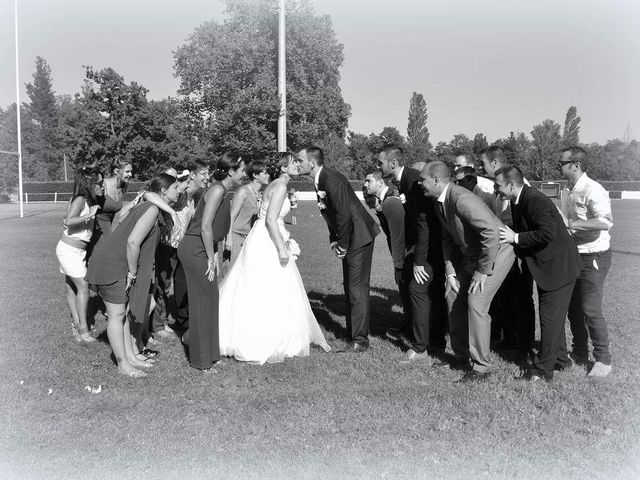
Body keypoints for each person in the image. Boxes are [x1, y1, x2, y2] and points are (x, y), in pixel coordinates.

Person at [219, 153, 331, 364]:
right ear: (282, 168)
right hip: (268, 240)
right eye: (293, 163)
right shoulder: (279, 187)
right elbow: (271, 220)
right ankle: (265, 337)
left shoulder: (275, 185)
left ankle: (280, 333)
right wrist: (281, 247)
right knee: (270, 285)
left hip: (262, 235)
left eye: (298, 162)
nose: (298, 165)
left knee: (266, 285)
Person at [420, 161, 515, 382]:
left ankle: (481, 367)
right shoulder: (438, 201)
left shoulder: (462, 199)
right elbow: (447, 238)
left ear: (436, 180)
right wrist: (450, 271)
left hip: (497, 252)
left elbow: (491, 233)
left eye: (422, 179)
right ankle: (462, 357)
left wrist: (483, 271)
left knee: (476, 302)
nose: (419, 183)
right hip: (473, 256)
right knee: (453, 295)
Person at [86, 173, 180, 377]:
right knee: (117, 315)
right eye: (175, 187)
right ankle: (123, 365)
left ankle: (131, 356)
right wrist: (132, 273)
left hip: (115, 260)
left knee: (124, 311)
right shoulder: (152, 208)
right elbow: (133, 242)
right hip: (112, 263)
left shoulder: (150, 207)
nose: (179, 190)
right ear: (163, 191)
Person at [496, 165, 581, 381]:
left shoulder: (534, 199)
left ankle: (543, 370)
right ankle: (561, 360)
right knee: (553, 317)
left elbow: (547, 233)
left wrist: (515, 238)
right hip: (548, 267)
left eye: (498, 186)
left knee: (549, 318)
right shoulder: (518, 200)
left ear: (511, 184)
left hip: (559, 268)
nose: (496, 190)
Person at [296, 146, 380, 353]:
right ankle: (353, 334)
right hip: (349, 236)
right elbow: (330, 213)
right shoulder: (321, 179)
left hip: (358, 236)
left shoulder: (331, 179)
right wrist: (334, 240)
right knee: (351, 286)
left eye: (300, 160)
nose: (297, 164)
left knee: (356, 288)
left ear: (312, 163)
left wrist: (342, 244)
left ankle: (360, 341)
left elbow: (343, 214)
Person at [378, 145, 448, 359]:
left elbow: (423, 222)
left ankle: (420, 347)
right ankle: (435, 342)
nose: (378, 166)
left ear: (393, 163)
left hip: (430, 247)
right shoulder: (405, 180)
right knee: (434, 292)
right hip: (427, 246)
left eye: (380, 162)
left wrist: (419, 260)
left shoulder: (412, 180)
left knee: (417, 290)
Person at [178, 153, 245, 370]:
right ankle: (200, 360)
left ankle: (210, 354)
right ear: (231, 171)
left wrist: (214, 254)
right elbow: (205, 226)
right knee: (202, 302)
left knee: (210, 300)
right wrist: (210, 257)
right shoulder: (217, 189)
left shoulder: (224, 191)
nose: (245, 174)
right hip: (195, 247)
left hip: (204, 247)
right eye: (242, 170)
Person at [364, 170, 432, 363]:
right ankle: (412, 329)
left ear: (379, 182)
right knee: (407, 291)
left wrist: (398, 263)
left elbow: (398, 236)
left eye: (369, 181)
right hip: (407, 254)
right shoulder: (385, 203)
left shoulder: (391, 202)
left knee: (413, 291)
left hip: (411, 254)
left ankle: (420, 340)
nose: (366, 185)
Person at [559, 146, 614, 377]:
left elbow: (604, 223)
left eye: (561, 163)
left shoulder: (594, 189)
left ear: (576, 165)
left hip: (594, 255)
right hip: (575, 254)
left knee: (590, 309)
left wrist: (571, 225)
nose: (558, 166)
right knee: (574, 308)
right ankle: (579, 351)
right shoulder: (569, 189)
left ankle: (603, 360)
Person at [480, 146, 536, 358]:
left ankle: (524, 343)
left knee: (521, 297)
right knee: (507, 296)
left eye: (483, 163)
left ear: (495, 163)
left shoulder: (518, 188)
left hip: (518, 250)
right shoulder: (498, 187)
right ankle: (510, 337)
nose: (480, 167)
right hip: (505, 250)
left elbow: (521, 221)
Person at [55, 166, 104, 343]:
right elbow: (68, 221)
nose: (102, 186)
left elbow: (65, 219)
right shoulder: (80, 200)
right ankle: (83, 330)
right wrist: (88, 215)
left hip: (77, 250)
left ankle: (77, 324)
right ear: (90, 183)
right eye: (99, 183)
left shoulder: (85, 200)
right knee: (83, 286)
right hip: (69, 250)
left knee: (70, 286)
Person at [226, 161, 270, 265]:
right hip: (236, 237)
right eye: (265, 173)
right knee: (231, 274)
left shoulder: (260, 194)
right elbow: (232, 215)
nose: (267, 175)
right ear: (255, 175)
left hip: (251, 238)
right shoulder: (243, 191)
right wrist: (229, 239)